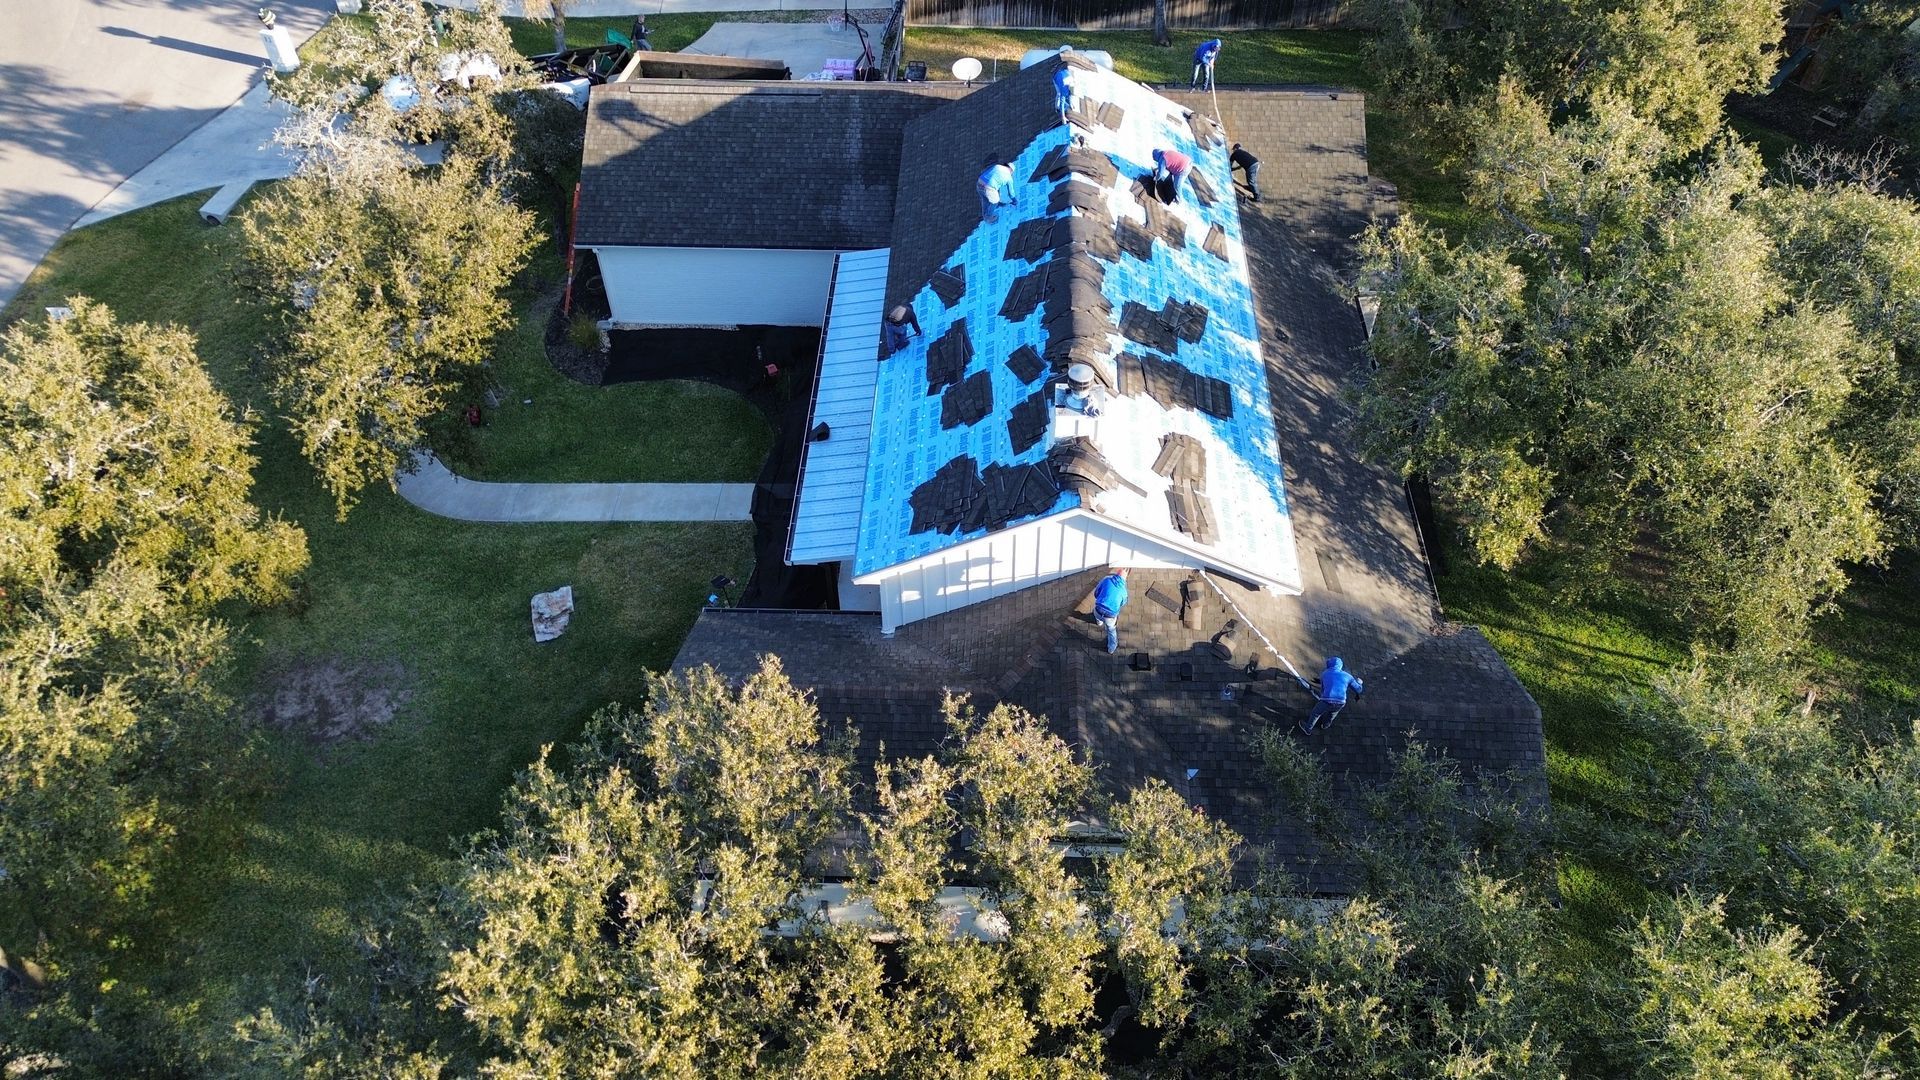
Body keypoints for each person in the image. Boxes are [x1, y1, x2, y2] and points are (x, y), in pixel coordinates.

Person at [1299, 656, 1364, 735]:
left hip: (1326, 700)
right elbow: (1358, 690)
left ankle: (1308, 729)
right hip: (1340, 702)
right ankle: (1325, 725)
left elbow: (1323, 689)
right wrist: (1359, 683)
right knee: (1332, 714)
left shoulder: (1324, 674)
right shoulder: (1348, 676)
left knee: (1316, 713)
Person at [1092, 568, 1130, 654]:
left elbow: (1096, 592)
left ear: (1116, 573)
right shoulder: (1124, 592)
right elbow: (1122, 603)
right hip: (1110, 616)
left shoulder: (1106, 580)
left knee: (1096, 613)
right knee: (1111, 631)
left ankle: (1099, 622)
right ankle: (1111, 648)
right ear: (1125, 578)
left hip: (1098, 610)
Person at [977, 155, 1017, 220]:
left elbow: (985, 170)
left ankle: (984, 214)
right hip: (988, 187)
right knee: (995, 201)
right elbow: (1011, 193)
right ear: (1011, 171)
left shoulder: (997, 166)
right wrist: (1014, 201)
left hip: (980, 182)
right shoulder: (1009, 178)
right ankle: (989, 217)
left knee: (985, 199)